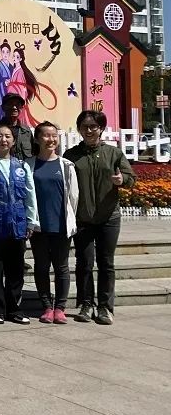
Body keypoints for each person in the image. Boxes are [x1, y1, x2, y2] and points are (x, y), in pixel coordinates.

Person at [63, 109, 135, 325]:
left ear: (101, 128)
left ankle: (105, 306)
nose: (89, 130)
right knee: (84, 263)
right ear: (79, 129)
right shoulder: (71, 156)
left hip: (108, 217)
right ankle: (86, 304)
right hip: (82, 218)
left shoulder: (114, 153)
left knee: (106, 263)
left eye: (93, 127)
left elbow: (131, 177)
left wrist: (122, 180)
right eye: (84, 127)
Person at [0, 123, 38, 324]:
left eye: (7, 136)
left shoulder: (22, 166)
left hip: (18, 224)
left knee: (15, 271)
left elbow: (30, 196)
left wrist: (31, 221)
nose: (3, 140)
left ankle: (15, 310)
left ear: (13, 141)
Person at [31, 121, 79, 324]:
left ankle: (60, 307)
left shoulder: (66, 166)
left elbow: (74, 197)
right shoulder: (29, 165)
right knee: (41, 266)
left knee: (61, 267)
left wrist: (70, 219)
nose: (51, 140)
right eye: (46, 135)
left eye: (54, 136)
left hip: (60, 225)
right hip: (38, 226)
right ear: (37, 139)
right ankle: (46, 306)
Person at [0, 93, 34, 160]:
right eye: (10, 104)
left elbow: (33, 153)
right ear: (3, 107)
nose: (14, 107)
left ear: (21, 108)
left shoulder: (26, 131)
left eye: (17, 104)